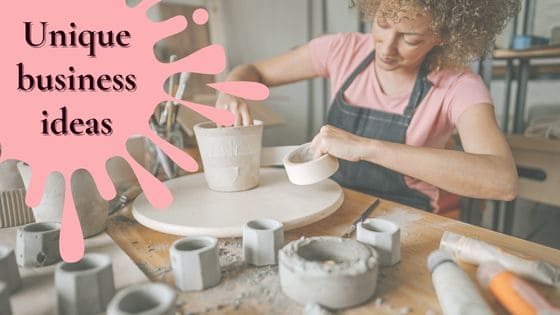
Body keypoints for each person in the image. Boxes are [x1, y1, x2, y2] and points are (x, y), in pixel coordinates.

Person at [215, 0, 520, 212]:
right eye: (383, 24)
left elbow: (502, 181)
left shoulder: (458, 85)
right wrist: (232, 88)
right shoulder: (343, 50)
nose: (387, 48)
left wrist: (366, 148)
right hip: (329, 199)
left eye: (410, 38)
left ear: (443, 35)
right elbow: (253, 72)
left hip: (405, 213)